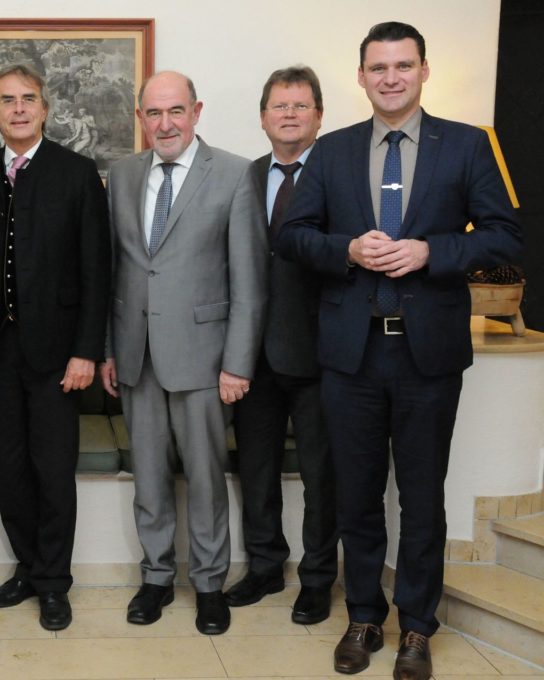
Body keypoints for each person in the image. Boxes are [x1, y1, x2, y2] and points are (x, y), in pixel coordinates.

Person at [276, 22, 522, 680]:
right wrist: (348, 249)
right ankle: (362, 615)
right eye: (378, 66)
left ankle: (416, 626)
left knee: (421, 497)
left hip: (427, 357)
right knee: (355, 496)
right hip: (350, 357)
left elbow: (504, 236)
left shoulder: (466, 147)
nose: (390, 77)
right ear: (360, 76)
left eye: (402, 65)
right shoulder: (331, 152)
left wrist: (432, 252)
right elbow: (293, 236)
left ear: (423, 71)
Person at [101, 71, 267, 636]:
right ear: (140, 117)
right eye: (153, 113)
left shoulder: (235, 173)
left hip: (204, 356)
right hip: (135, 354)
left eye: (175, 111)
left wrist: (238, 362)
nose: (165, 124)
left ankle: (210, 584)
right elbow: (115, 271)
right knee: (148, 477)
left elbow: (249, 280)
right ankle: (155, 578)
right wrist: (107, 350)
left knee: (205, 477)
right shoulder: (121, 176)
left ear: (196, 111)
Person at [0, 64, 110, 631]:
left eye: (28, 99)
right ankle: (27, 567)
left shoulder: (76, 174)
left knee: (53, 469)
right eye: (7, 101)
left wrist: (86, 351)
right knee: (12, 469)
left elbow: (97, 271)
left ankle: (54, 581)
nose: (19, 109)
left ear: (45, 109)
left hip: (58, 356)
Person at [226, 66, 337, 625]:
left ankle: (317, 579)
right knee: (257, 471)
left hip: (322, 355)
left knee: (322, 476)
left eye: (300, 106)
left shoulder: (338, 174)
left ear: (319, 114)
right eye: (278, 106)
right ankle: (265, 566)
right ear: (263, 116)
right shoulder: (245, 177)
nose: (288, 115)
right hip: (254, 356)